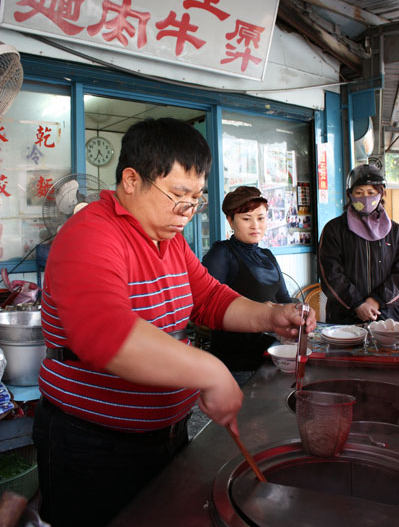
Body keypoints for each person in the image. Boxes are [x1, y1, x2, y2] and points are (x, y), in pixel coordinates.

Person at [33, 118, 315, 527]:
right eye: (177, 195)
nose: (186, 211)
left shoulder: (168, 238)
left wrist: (270, 315)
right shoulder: (91, 234)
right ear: (131, 180)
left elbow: (208, 298)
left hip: (166, 436)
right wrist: (211, 371)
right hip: (93, 446)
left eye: (196, 198)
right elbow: (104, 334)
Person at [202, 186, 293, 384]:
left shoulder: (267, 255)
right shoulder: (222, 254)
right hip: (237, 363)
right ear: (230, 220)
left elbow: (284, 299)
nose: (255, 225)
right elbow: (206, 306)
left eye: (260, 218)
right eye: (246, 218)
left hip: (273, 357)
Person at [319, 163, 399, 324]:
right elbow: (330, 273)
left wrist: (376, 300)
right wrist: (357, 304)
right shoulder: (334, 229)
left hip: (387, 318)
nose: (365, 198)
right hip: (345, 317)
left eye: (371, 192)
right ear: (350, 195)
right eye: (359, 192)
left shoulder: (395, 232)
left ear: (381, 194)